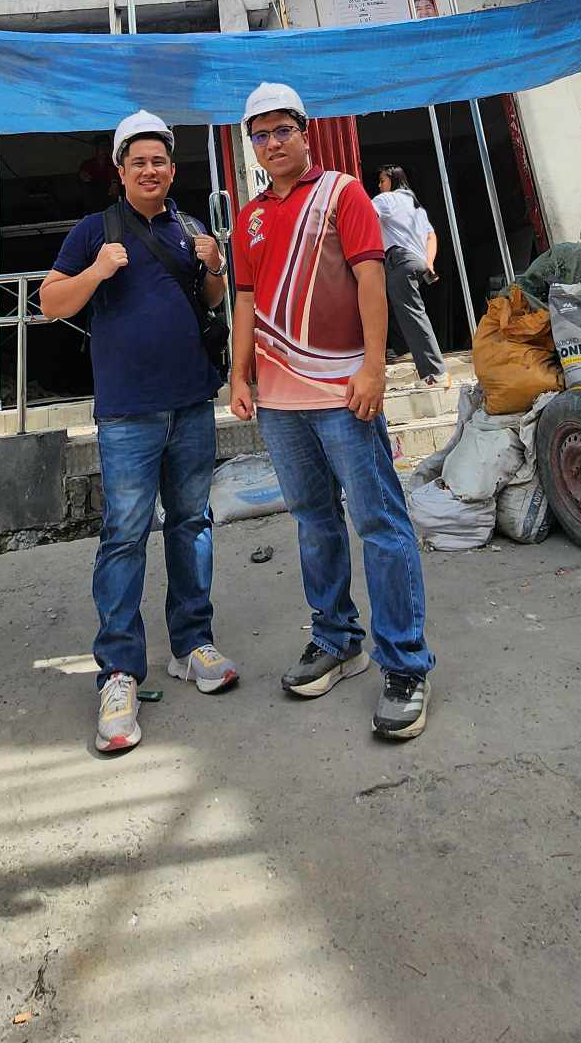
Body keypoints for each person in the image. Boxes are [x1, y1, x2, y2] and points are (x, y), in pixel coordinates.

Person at [229, 83, 434, 742]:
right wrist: (238, 375)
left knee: (379, 523)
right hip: (279, 402)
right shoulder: (249, 215)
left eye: (282, 129)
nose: (272, 143)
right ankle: (337, 640)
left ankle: (405, 664)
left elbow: (371, 278)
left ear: (305, 131)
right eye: (260, 134)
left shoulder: (342, 193)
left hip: (343, 393)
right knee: (314, 523)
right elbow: (244, 299)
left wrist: (374, 367)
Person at [40, 109, 237, 756]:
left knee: (192, 524)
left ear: (172, 170)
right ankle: (119, 672)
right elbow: (50, 302)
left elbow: (210, 302)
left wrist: (215, 266)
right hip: (127, 414)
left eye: (159, 161)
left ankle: (193, 644)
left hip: (191, 404)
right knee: (124, 536)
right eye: (138, 162)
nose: (150, 171)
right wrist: (97, 271)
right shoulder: (94, 231)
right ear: (121, 171)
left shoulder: (190, 228)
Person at [372, 165, 446, 386]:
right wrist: (429, 263)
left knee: (413, 317)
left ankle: (435, 373)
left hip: (399, 260)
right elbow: (431, 236)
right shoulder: (417, 207)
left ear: (393, 180)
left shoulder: (386, 200)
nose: (379, 185)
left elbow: (363, 216)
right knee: (408, 313)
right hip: (416, 261)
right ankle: (408, 354)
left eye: (382, 180)